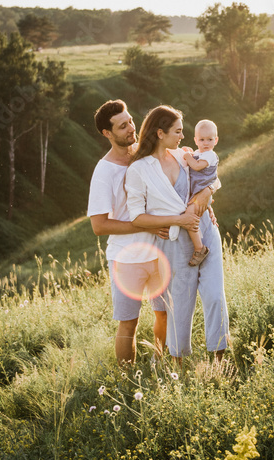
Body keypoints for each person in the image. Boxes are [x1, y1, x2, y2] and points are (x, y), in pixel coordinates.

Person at [87, 99, 197, 366]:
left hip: (161, 252)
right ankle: (126, 380)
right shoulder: (104, 172)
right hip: (126, 259)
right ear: (107, 134)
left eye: (131, 122)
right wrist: (146, 224)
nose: (131, 129)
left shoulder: (149, 153)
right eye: (122, 126)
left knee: (165, 315)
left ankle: (161, 367)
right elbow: (99, 226)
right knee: (129, 323)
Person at [125, 105, 229, 361]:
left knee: (215, 296)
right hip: (174, 241)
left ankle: (220, 362)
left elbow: (211, 175)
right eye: (178, 131)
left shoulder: (184, 155)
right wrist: (178, 219)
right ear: (160, 133)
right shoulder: (139, 169)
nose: (183, 136)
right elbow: (137, 217)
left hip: (206, 228)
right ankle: (178, 365)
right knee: (179, 308)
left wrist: (208, 192)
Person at [181, 119, 220, 266]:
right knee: (191, 215)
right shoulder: (198, 152)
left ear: (215, 140)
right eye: (202, 139)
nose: (206, 143)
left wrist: (187, 157)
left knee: (189, 216)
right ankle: (197, 244)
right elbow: (194, 157)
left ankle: (200, 248)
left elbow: (196, 166)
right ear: (196, 140)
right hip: (198, 193)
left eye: (210, 139)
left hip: (202, 193)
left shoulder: (210, 155)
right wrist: (189, 152)